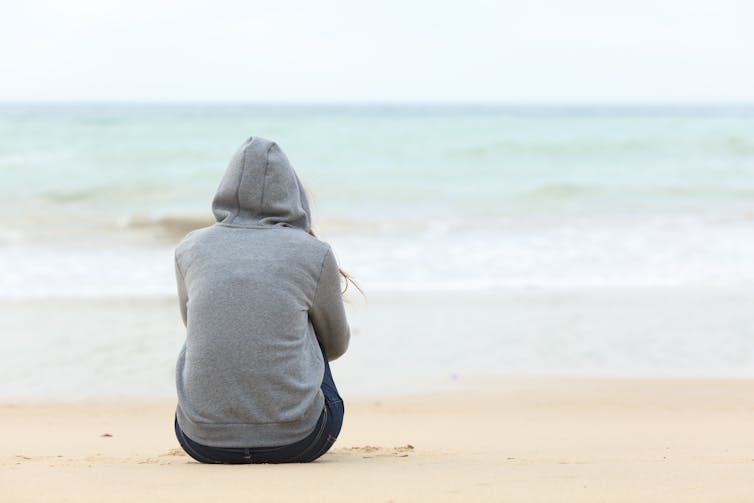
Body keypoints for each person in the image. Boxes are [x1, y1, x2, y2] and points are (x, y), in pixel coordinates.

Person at [172, 136, 353, 464]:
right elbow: (336, 346)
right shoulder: (313, 252)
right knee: (304, 324)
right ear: (293, 194)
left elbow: (193, 327)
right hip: (301, 439)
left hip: (200, 441)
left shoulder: (189, 248)